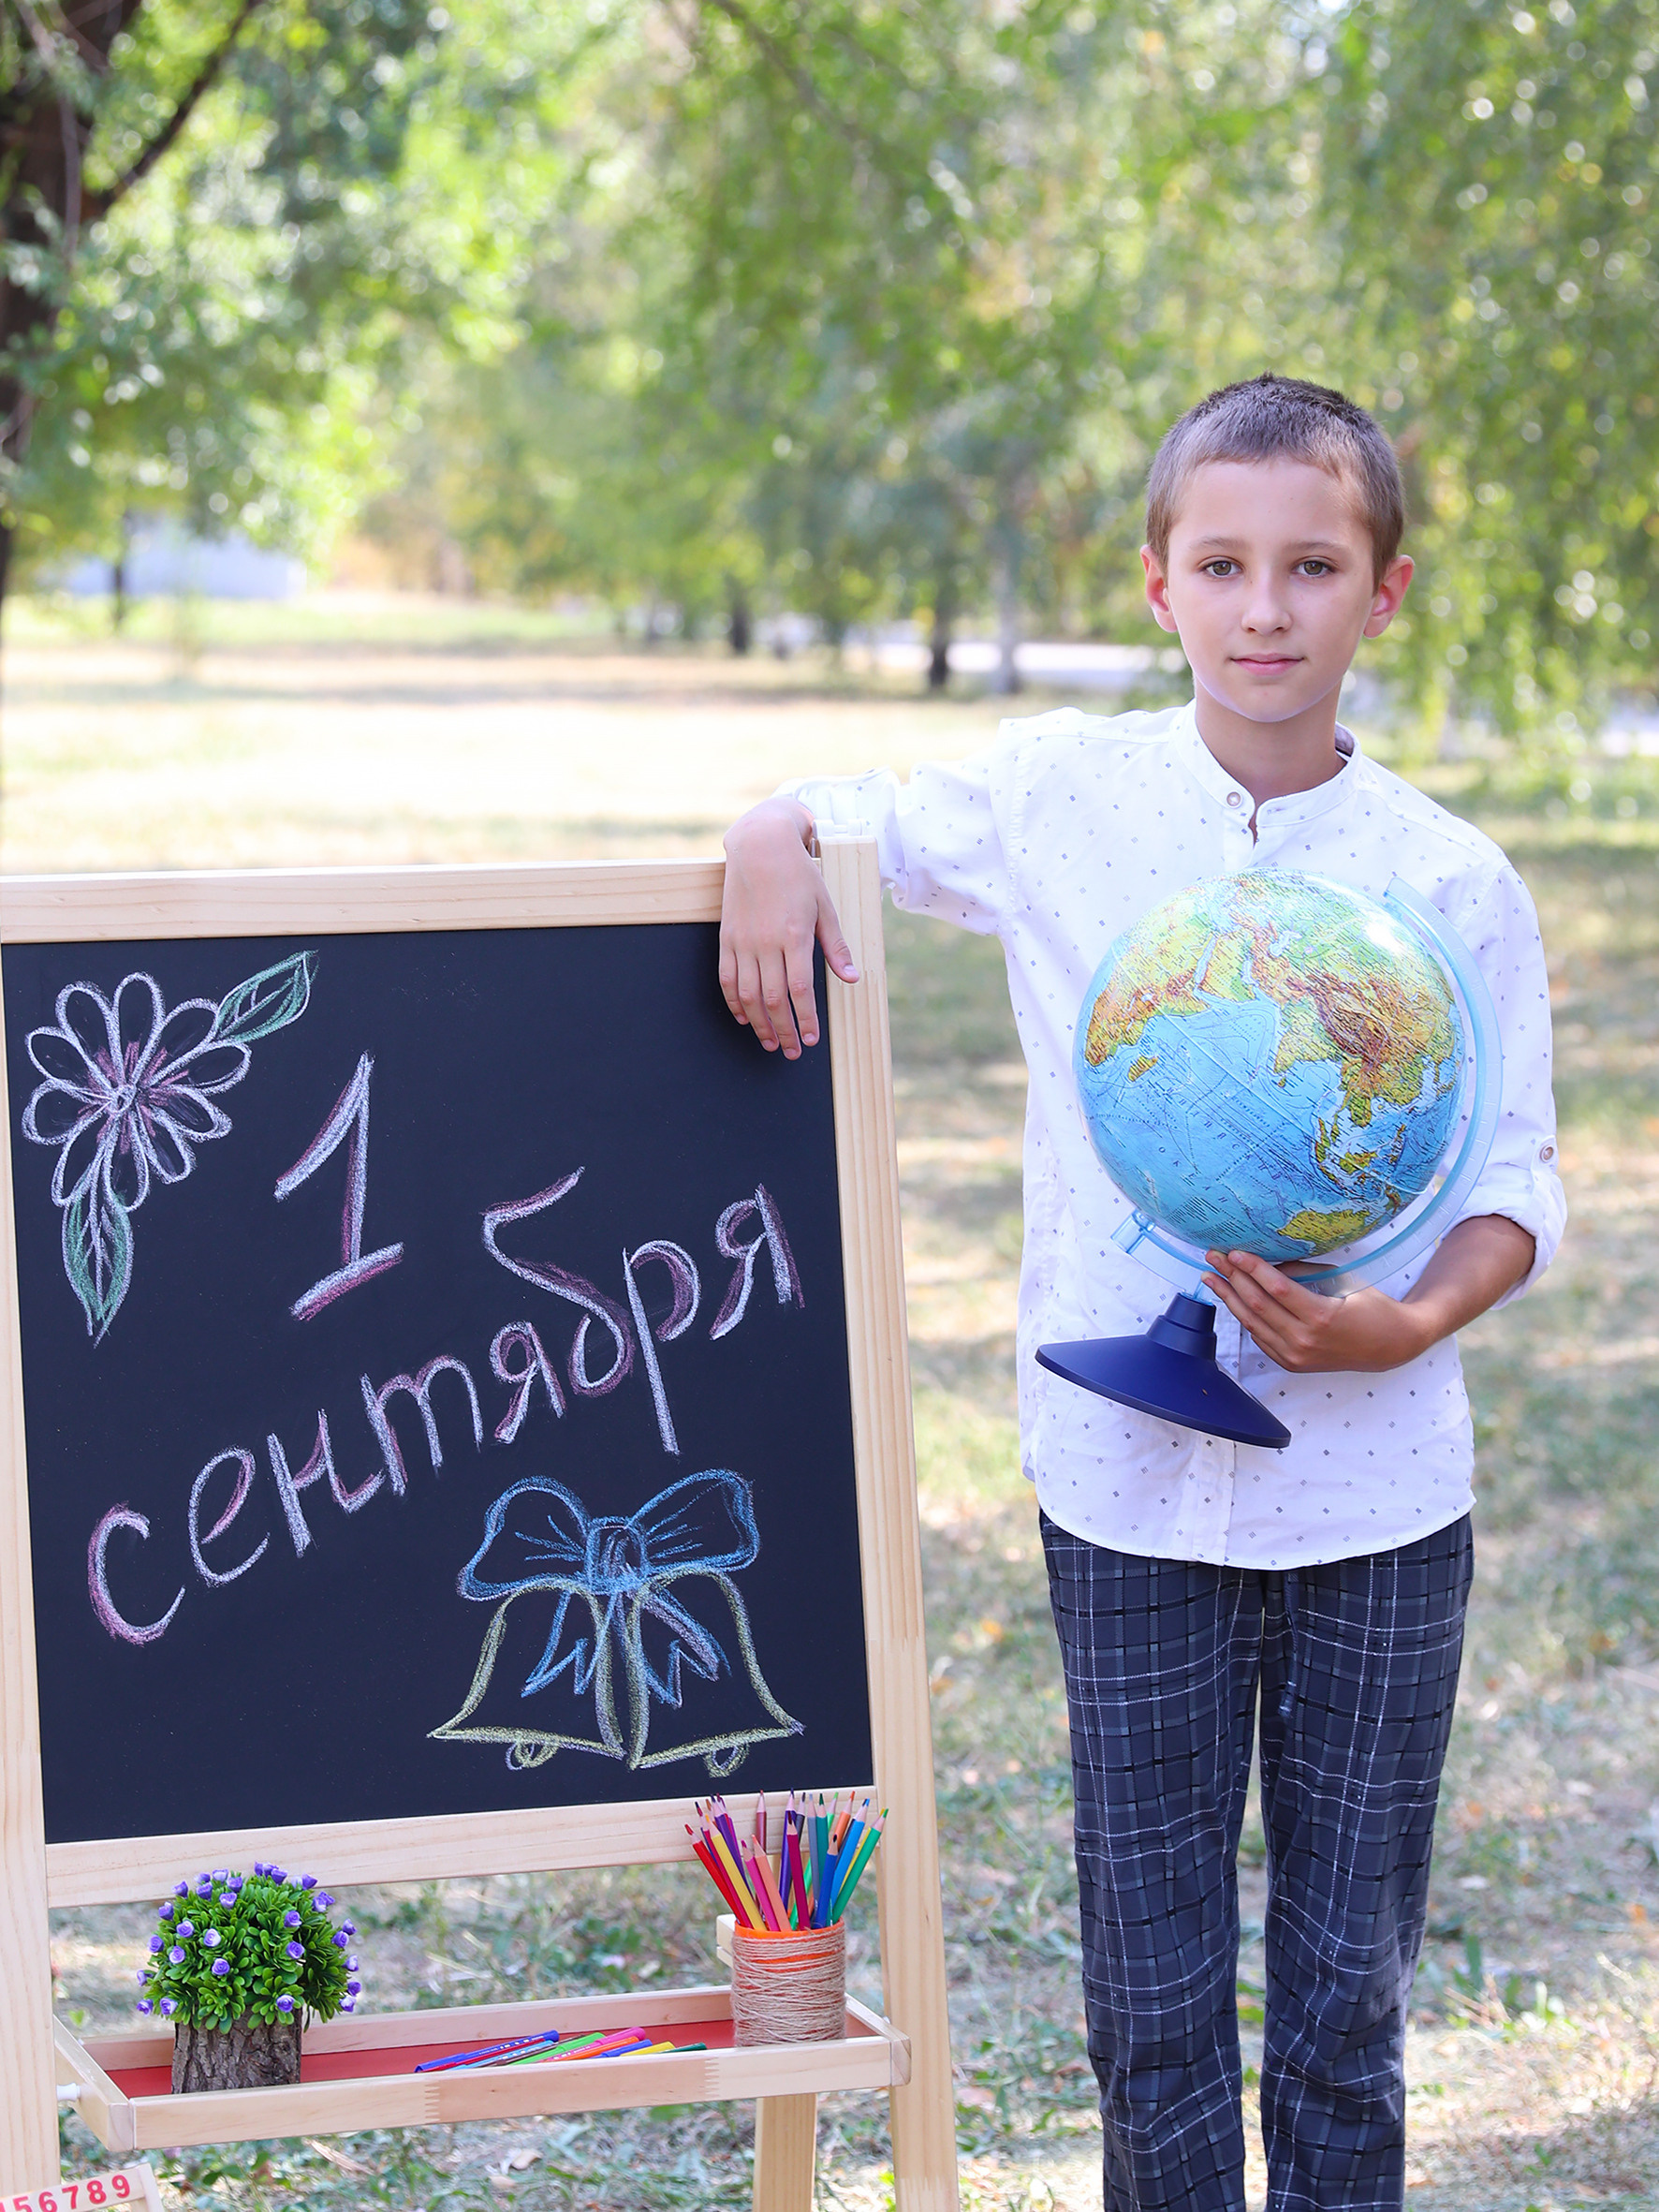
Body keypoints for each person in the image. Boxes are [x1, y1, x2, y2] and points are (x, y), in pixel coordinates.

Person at [717, 373, 1565, 2212]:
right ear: (1157, 586)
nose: (1268, 608)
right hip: (1122, 1484)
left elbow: (1511, 1187)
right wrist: (771, 840)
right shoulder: (1054, 796)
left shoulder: (1449, 879)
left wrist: (1399, 1323)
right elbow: (826, 809)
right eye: (1226, 563)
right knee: (1150, 1995)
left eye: (1314, 566)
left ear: (1383, 592)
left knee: (1347, 1997)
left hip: (1378, 1496)